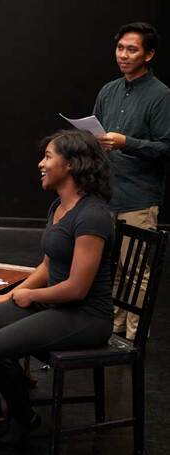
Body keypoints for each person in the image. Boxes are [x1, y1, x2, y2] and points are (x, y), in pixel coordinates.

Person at [0, 130, 114, 445]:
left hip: (86, 316)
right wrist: (10, 294)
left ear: (71, 164)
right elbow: (48, 266)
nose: (41, 163)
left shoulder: (92, 217)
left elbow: (77, 289)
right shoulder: (58, 206)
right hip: (55, 303)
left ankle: (25, 418)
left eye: (48, 156)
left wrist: (29, 295)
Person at [93, 21, 170, 341]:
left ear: (148, 54)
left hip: (138, 196)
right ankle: (111, 328)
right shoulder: (109, 90)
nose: (123, 55)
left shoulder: (160, 94)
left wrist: (128, 142)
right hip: (106, 192)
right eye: (120, 48)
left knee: (135, 270)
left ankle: (134, 338)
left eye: (132, 49)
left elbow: (166, 147)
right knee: (108, 268)